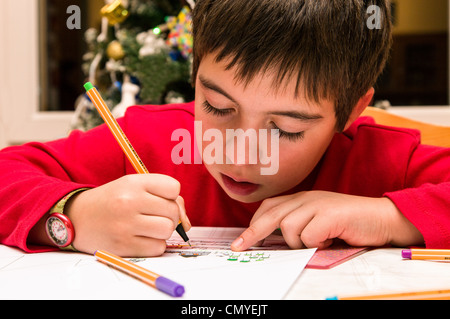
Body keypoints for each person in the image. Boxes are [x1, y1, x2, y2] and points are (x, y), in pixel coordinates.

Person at [1, 0, 449, 258]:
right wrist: (73, 216)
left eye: (287, 128)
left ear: (351, 112)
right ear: (194, 78)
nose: (239, 153)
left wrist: (388, 218)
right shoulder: (147, 141)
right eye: (216, 106)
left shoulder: (376, 159)